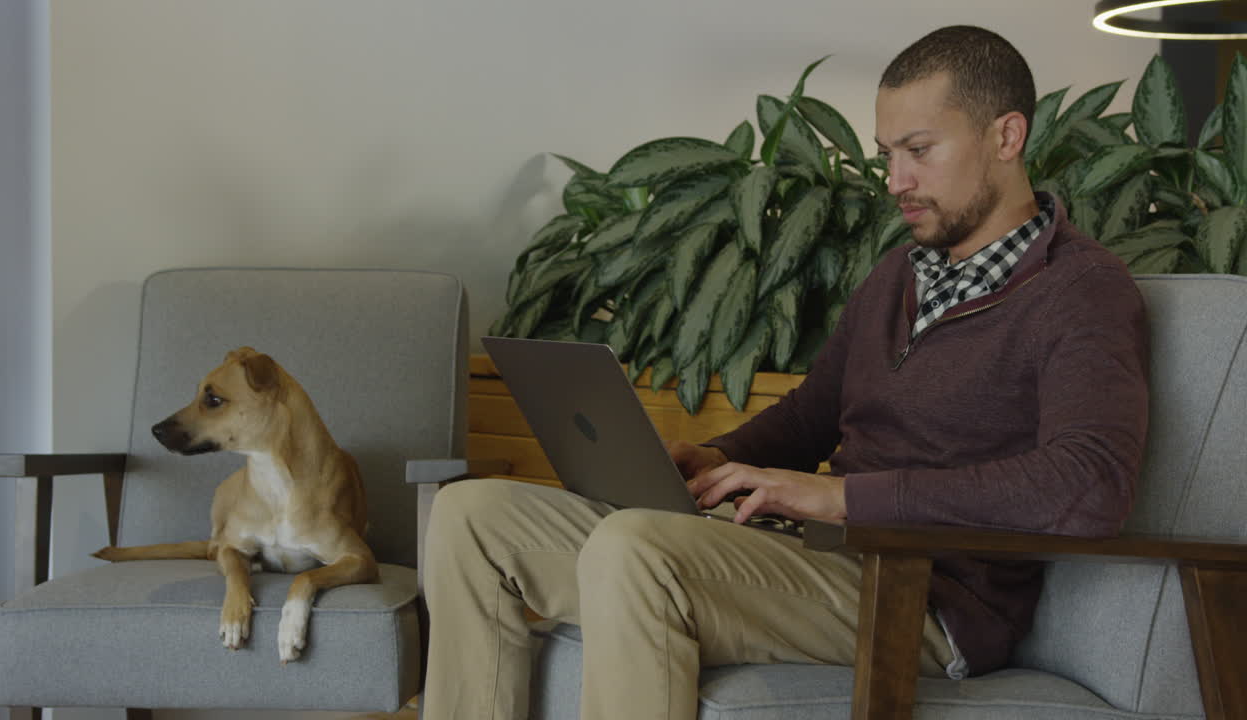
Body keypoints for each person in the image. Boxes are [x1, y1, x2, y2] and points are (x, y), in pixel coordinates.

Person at [420, 24, 1149, 720]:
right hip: (817, 559)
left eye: (920, 150)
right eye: (887, 152)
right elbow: (810, 416)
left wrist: (841, 499)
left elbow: (1089, 484)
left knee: (633, 546)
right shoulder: (900, 273)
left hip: (923, 598)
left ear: (1006, 136)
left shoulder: (1082, 290)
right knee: (472, 516)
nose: (896, 179)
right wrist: (718, 458)